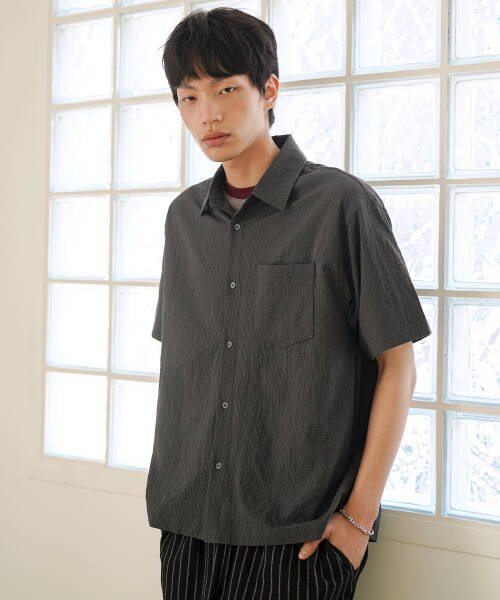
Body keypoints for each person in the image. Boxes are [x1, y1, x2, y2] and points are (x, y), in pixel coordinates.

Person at [146, 7, 432, 600]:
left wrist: (358, 519)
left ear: (269, 90)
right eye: (189, 97)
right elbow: (189, 367)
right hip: (189, 523)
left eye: (226, 89)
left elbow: (398, 365)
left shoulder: (341, 205)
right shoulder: (182, 220)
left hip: (299, 538)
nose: (208, 114)